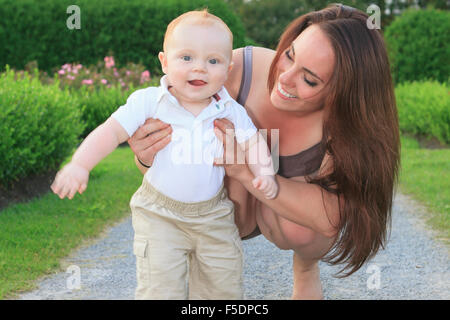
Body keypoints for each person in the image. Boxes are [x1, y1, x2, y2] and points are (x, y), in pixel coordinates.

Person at [128, 4, 401, 299]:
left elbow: (328, 218)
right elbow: (164, 171)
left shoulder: (345, 130)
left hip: (280, 203)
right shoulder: (231, 69)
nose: (285, 78)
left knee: (303, 231)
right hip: (223, 205)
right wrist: (146, 156)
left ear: (342, 92)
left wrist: (249, 174)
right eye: (290, 55)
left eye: (309, 79)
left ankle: (306, 267)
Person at [51, 10, 278, 299]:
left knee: (222, 285)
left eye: (213, 61)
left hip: (213, 214)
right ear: (164, 61)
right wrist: (80, 164)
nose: (200, 69)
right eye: (186, 58)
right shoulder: (149, 102)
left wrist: (264, 172)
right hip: (160, 214)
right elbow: (110, 131)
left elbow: (253, 143)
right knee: (160, 287)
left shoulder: (229, 109)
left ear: (228, 69)